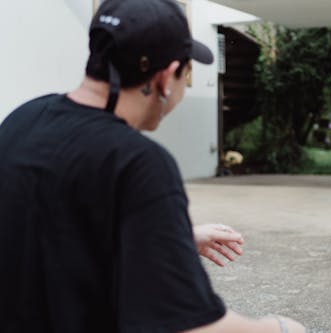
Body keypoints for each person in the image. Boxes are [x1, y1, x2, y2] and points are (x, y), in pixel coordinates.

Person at [0, 1, 306, 332]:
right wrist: (282, 327)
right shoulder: (138, 161)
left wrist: (169, 237)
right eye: (185, 73)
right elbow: (191, 325)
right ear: (164, 78)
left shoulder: (24, 119)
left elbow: (53, 225)